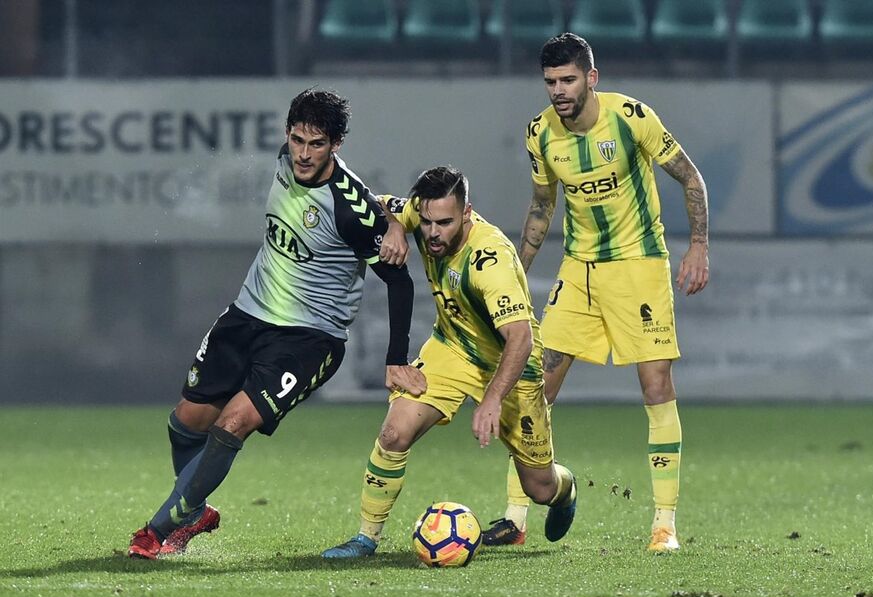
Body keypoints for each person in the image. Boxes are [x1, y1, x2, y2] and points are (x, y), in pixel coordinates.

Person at [127, 89, 426, 559]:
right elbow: (363, 192)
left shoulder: (350, 209)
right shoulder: (285, 159)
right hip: (248, 314)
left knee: (233, 422)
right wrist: (394, 218)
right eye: (297, 140)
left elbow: (400, 282)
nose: (304, 154)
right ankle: (197, 511)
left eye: (317, 144)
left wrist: (396, 359)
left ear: (337, 144)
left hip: (310, 337)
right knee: (185, 423)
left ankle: (159, 529)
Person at [481, 33, 709, 553]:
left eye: (568, 80)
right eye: (550, 83)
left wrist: (698, 246)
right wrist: (514, 274)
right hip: (579, 270)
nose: (559, 91)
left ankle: (664, 525)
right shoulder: (540, 134)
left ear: (591, 79)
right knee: (533, 385)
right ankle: (516, 517)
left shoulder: (630, 118)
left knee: (655, 387)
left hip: (639, 268)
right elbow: (542, 207)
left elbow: (690, 177)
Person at [320, 166, 577, 559]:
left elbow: (520, 339)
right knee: (393, 434)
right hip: (452, 347)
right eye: (425, 222)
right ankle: (365, 538)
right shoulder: (419, 215)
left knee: (538, 487)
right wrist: (392, 225)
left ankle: (566, 489)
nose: (433, 232)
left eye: (445, 222)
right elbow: (376, 202)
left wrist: (491, 400)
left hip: (511, 366)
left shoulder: (490, 262)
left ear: (467, 213)